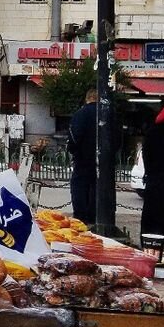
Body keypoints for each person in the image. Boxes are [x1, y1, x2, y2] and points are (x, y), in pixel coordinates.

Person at [142, 104, 164, 252]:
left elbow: (146, 157)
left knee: (153, 214)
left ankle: (151, 244)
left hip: (155, 181)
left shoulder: (152, 133)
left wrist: (150, 173)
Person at [67, 89, 98, 225]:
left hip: (83, 159)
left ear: (87, 98)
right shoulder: (109, 114)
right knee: (97, 189)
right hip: (103, 163)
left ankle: (81, 219)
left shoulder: (81, 114)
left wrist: (73, 150)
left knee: (80, 188)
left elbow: (74, 137)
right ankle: (95, 217)